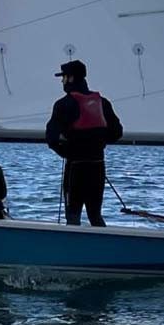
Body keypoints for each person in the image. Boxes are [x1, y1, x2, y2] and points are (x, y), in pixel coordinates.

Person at [45, 59, 123, 226]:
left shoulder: (63, 105)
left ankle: (71, 250)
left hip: (76, 167)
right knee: (95, 215)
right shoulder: (103, 102)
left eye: (64, 77)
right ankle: (103, 246)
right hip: (97, 166)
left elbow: (51, 138)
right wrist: (98, 143)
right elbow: (117, 132)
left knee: (73, 216)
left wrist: (66, 151)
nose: (62, 81)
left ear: (71, 79)